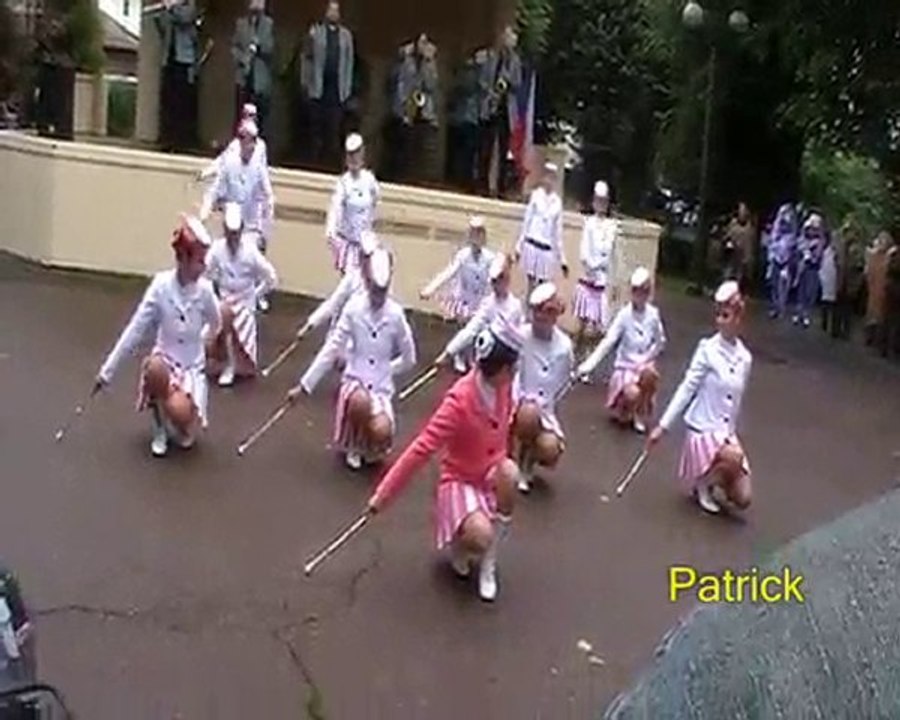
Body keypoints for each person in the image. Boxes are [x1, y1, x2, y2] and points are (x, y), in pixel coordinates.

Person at [366, 322, 523, 602]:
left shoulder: (504, 388)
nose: (514, 374)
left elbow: (503, 432)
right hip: (460, 477)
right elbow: (422, 448)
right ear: (499, 369)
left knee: (510, 473)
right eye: (511, 369)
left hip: (489, 471)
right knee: (479, 534)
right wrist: (383, 495)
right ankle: (461, 544)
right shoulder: (459, 401)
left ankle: (489, 561)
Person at [94, 216, 221, 457]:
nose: (204, 266)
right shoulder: (161, 286)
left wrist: (206, 342)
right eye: (199, 260)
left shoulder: (205, 291)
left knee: (180, 411)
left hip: (192, 366)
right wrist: (107, 371)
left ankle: (182, 422)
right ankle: (159, 425)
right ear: (182, 258)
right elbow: (136, 328)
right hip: (166, 360)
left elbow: (217, 322)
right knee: (153, 368)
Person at [288, 249, 416, 470]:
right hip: (354, 381)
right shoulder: (354, 308)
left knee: (383, 430)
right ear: (368, 283)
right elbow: (331, 348)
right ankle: (354, 444)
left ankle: (371, 447)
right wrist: (304, 386)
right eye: (375, 290)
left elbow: (409, 358)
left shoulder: (396, 315)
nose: (378, 297)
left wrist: (387, 371)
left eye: (382, 292)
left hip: (381, 388)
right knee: (360, 402)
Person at [648, 280, 753, 515]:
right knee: (734, 458)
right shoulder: (707, 349)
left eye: (726, 316)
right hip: (703, 429)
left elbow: (734, 405)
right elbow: (687, 387)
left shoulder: (745, 358)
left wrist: (730, 437)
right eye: (719, 315)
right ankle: (702, 482)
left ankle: (717, 475)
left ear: (738, 319)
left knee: (744, 498)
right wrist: (663, 427)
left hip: (725, 434)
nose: (720, 321)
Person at [576, 267, 667, 434]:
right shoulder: (624, 315)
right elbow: (608, 341)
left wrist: (647, 357)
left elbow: (660, 342)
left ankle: (640, 414)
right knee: (632, 394)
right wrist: (588, 365)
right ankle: (624, 409)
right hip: (625, 367)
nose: (638, 296)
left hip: (643, 365)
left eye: (642, 292)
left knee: (651, 375)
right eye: (635, 291)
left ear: (648, 293)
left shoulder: (653, 315)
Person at [205, 202, 278, 386]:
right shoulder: (217, 249)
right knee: (211, 327)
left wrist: (256, 295)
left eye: (236, 233)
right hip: (223, 301)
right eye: (230, 233)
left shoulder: (250, 252)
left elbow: (271, 277)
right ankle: (218, 361)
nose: (233, 238)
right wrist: (210, 297)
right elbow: (205, 274)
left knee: (233, 324)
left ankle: (233, 364)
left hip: (244, 303)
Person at [511, 283, 575, 493]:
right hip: (517, 404)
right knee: (528, 414)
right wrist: (518, 404)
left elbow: (561, 385)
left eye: (548, 311)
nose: (541, 317)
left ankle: (529, 459)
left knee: (550, 449)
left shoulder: (564, 346)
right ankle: (517, 461)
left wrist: (543, 408)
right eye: (537, 311)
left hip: (544, 411)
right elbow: (513, 375)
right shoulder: (521, 336)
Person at [420, 215, 495, 373]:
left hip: (479, 299)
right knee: (463, 327)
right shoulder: (463, 256)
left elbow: (492, 279)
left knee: (475, 330)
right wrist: (430, 288)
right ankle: (459, 356)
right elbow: (449, 273)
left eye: (480, 234)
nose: (477, 238)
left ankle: (471, 357)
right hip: (463, 298)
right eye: (474, 234)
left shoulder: (489, 258)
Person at [437, 253, 524, 369]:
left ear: (507, 280)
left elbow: (519, 338)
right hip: (487, 358)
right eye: (493, 282)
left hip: (506, 362)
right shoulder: (488, 304)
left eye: (499, 280)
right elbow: (471, 330)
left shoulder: (516, 306)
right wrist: (448, 353)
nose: (496, 285)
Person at [302, 1, 355, 169]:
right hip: (318, 87)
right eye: (330, 10)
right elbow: (307, 58)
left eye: (336, 11)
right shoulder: (316, 32)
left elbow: (349, 62)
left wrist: (347, 90)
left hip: (337, 90)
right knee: (316, 129)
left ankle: (330, 165)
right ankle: (314, 163)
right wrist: (306, 83)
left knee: (334, 129)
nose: (333, 14)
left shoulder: (346, 36)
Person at [573, 180, 617, 360]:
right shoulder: (589, 224)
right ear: (593, 202)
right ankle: (574, 355)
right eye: (598, 201)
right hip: (588, 277)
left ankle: (589, 359)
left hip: (601, 281)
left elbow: (611, 253)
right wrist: (593, 265)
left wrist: (606, 272)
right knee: (581, 325)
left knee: (597, 326)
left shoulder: (612, 227)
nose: (601, 205)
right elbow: (585, 252)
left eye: (604, 201)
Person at [475, 25, 522, 197]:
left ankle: (501, 187)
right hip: (490, 107)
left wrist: (506, 81)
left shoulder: (515, 61)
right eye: (507, 37)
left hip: (506, 109)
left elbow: (517, 83)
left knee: (503, 151)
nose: (510, 41)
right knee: (485, 148)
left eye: (513, 38)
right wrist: (491, 92)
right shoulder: (491, 56)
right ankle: (482, 184)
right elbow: (482, 80)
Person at [325, 133, 381, 275]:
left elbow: (375, 203)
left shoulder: (369, 180)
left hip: (367, 245)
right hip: (350, 245)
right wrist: (331, 233)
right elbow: (335, 209)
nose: (354, 159)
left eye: (357, 154)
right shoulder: (343, 183)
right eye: (350, 155)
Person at [514, 162, 569, 301]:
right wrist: (519, 246)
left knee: (542, 289)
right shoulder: (536, 196)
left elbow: (557, 233)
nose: (549, 180)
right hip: (532, 244)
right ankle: (527, 317)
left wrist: (562, 259)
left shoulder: (557, 202)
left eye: (552, 177)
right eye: (547, 175)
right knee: (530, 287)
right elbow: (527, 221)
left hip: (546, 250)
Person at [391, 34, 440, 184]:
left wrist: (429, 61)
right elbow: (399, 82)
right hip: (406, 109)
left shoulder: (429, 63)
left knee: (421, 148)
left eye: (426, 42)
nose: (423, 46)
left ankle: (417, 179)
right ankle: (401, 178)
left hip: (423, 111)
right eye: (421, 42)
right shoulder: (407, 61)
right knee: (404, 147)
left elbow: (431, 84)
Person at [154, 0, 200, 152]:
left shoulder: (190, 6)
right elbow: (161, 26)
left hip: (184, 60)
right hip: (169, 59)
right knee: (168, 100)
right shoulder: (171, 9)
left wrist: (171, 7)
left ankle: (181, 141)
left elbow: (184, 19)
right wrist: (163, 11)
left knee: (182, 102)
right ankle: (167, 139)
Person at [231, 0, 274, 137]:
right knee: (241, 114)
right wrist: (242, 59)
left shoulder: (268, 24)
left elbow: (271, 48)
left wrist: (259, 46)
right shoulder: (241, 23)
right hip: (244, 76)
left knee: (260, 117)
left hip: (260, 79)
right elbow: (234, 48)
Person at [197, 104, 269, 184]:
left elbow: (263, 170)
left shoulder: (261, 146)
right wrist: (206, 172)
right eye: (245, 115)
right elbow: (222, 161)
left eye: (251, 115)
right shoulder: (235, 145)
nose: (248, 119)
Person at [765, 203, 798, 319]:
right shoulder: (776, 232)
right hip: (775, 260)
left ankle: (781, 308)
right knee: (774, 285)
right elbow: (771, 243)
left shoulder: (791, 236)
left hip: (785, 263)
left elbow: (793, 248)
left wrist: (788, 262)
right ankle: (775, 307)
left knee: (783, 287)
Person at [793, 212, 825, 328]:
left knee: (810, 292)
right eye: (810, 229)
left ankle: (806, 314)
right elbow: (797, 249)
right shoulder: (802, 239)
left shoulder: (820, 241)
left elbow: (819, 255)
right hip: (802, 268)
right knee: (800, 291)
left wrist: (812, 256)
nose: (812, 231)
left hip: (813, 269)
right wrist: (802, 253)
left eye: (814, 229)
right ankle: (798, 313)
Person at [721, 201, 756, 289]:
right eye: (741, 210)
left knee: (739, 275)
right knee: (729, 273)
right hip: (732, 253)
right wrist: (728, 244)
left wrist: (748, 257)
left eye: (744, 211)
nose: (742, 213)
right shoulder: (733, 225)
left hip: (743, 256)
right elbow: (727, 237)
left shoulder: (750, 228)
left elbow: (750, 244)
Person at [818, 230, 839, 336]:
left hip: (834, 277)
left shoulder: (836, 252)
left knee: (831, 302)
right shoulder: (827, 251)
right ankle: (824, 323)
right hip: (827, 276)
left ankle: (830, 325)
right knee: (826, 300)